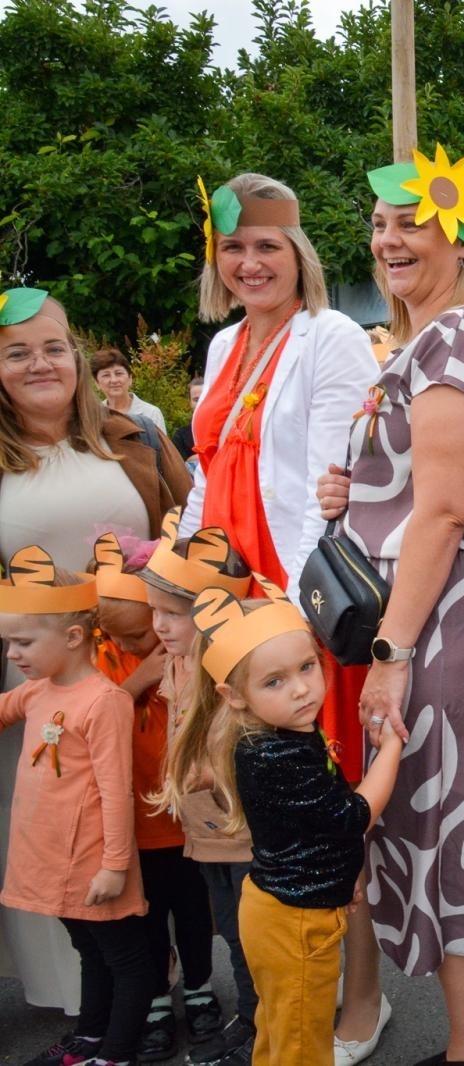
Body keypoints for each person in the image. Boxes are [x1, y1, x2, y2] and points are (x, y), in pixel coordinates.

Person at [322, 145, 464, 1066]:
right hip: (461, 611)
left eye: (409, 220)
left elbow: (446, 510)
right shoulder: (441, 338)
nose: (388, 239)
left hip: (451, 618)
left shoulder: (455, 337)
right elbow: (423, 486)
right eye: (379, 224)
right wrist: (357, 490)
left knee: (452, 829)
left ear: (458, 235)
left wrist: (391, 655)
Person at [185, 171, 387, 1064]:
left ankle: (363, 1003)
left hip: (290, 612)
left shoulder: (332, 337)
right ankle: (285, 1000)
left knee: (328, 823)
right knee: (255, 819)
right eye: (235, 246)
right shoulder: (225, 345)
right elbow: (203, 480)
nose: (250, 262)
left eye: (268, 244)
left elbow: (325, 490)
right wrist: (181, 595)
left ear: (297, 250)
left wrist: (294, 628)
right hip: (227, 610)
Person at [0, 287, 189, 1015]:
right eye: (17, 353)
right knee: (59, 824)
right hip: (45, 676)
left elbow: (187, 527)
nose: (39, 364)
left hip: (147, 662)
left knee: (155, 821)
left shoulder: (132, 436)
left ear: (76, 357)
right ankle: (85, 999)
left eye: (52, 348)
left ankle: (173, 981)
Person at [184, 579, 404, 1066]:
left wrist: (337, 877)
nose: (302, 688)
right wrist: (390, 750)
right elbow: (350, 817)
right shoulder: (276, 753)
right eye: (274, 681)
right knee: (302, 1048)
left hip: (287, 909)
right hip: (294, 925)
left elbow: (312, 830)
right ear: (233, 695)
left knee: (281, 1035)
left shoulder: (283, 730)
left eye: (306, 666)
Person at [0, 547, 152, 1066]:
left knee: (127, 960)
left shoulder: (103, 701)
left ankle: (116, 1053)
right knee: (89, 951)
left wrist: (114, 866)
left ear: (71, 638)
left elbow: (115, 790)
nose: (12, 655)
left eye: (22, 641)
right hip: (53, 862)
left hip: (92, 862)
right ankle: (89, 1038)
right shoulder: (37, 690)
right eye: (8, 642)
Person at [92, 533, 221, 1061]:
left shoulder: (186, 653)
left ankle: (200, 989)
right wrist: (139, 674)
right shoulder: (110, 658)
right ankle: (156, 1003)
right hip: (137, 821)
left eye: (136, 635)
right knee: (147, 920)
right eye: (115, 637)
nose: (126, 646)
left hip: (185, 818)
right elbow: (95, 715)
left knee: (194, 911)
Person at [143, 512, 260, 1066]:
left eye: (173, 613)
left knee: (250, 938)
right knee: (231, 936)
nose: (159, 626)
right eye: (154, 612)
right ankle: (251, 1019)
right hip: (203, 832)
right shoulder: (176, 663)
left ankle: (264, 1028)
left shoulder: (229, 671)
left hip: (239, 835)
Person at [91, 347, 167, 433]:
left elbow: (161, 446)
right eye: (106, 375)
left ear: (130, 379)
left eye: (118, 373)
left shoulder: (151, 413)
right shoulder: (93, 416)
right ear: (97, 383)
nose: (114, 380)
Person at [172, 376, 204, 464]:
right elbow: (178, 466)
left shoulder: (224, 431)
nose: (201, 402)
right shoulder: (180, 436)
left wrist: (193, 458)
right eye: (196, 399)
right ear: (189, 402)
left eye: (204, 397)